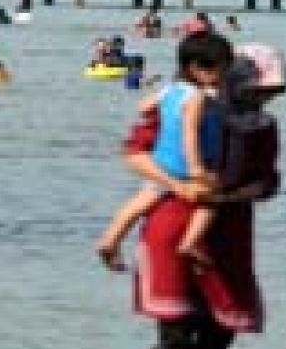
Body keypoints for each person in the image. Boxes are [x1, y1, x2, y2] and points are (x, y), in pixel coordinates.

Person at [116, 41, 286, 349]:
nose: (262, 100)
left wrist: (226, 197)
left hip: (229, 237)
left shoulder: (264, 127)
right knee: (175, 330)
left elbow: (268, 181)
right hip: (170, 225)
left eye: (269, 94)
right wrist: (179, 184)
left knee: (218, 340)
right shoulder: (184, 107)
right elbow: (135, 152)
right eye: (257, 91)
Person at [97, 33, 231, 268]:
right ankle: (190, 242)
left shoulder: (171, 90)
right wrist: (196, 168)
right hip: (184, 165)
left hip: (161, 159)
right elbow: (190, 133)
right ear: (197, 69)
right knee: (212, 200)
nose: (224, 76)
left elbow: (144, 106)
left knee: (140, 202)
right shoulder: (198, 98)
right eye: (221, 70)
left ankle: (111, 239)